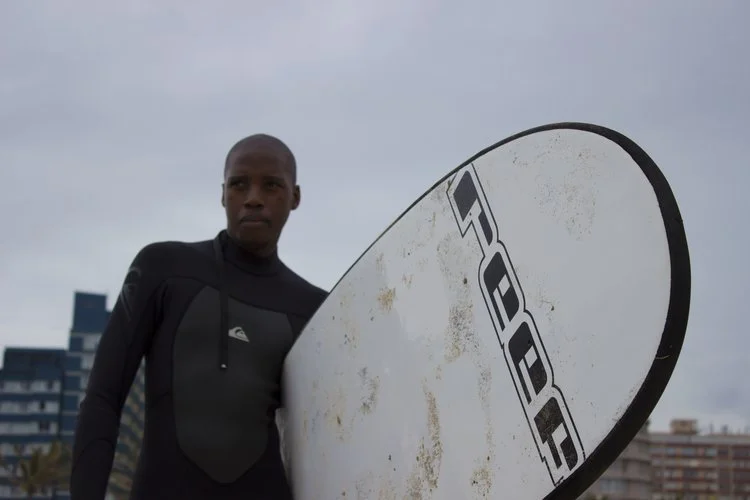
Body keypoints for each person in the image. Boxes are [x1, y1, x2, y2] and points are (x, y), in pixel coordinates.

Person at [70, 134, 328, 499]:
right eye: (239, 184)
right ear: (223, 194)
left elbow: (328, 438)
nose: (253, 198)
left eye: (271, 185)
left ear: (295, 197)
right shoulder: (163, 270)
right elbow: (102, 399)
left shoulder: (314, 309)